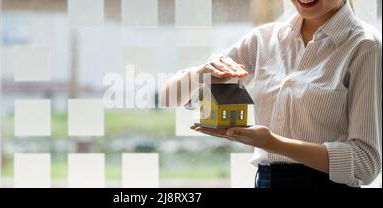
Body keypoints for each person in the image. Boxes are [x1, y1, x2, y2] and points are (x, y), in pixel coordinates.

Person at [161, 0, 381, 188]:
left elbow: (365, 162)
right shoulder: (262, 41)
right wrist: (199, 74)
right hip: (265, 181)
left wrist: (272, 143)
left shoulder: (365, 47)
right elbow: (169, 98)